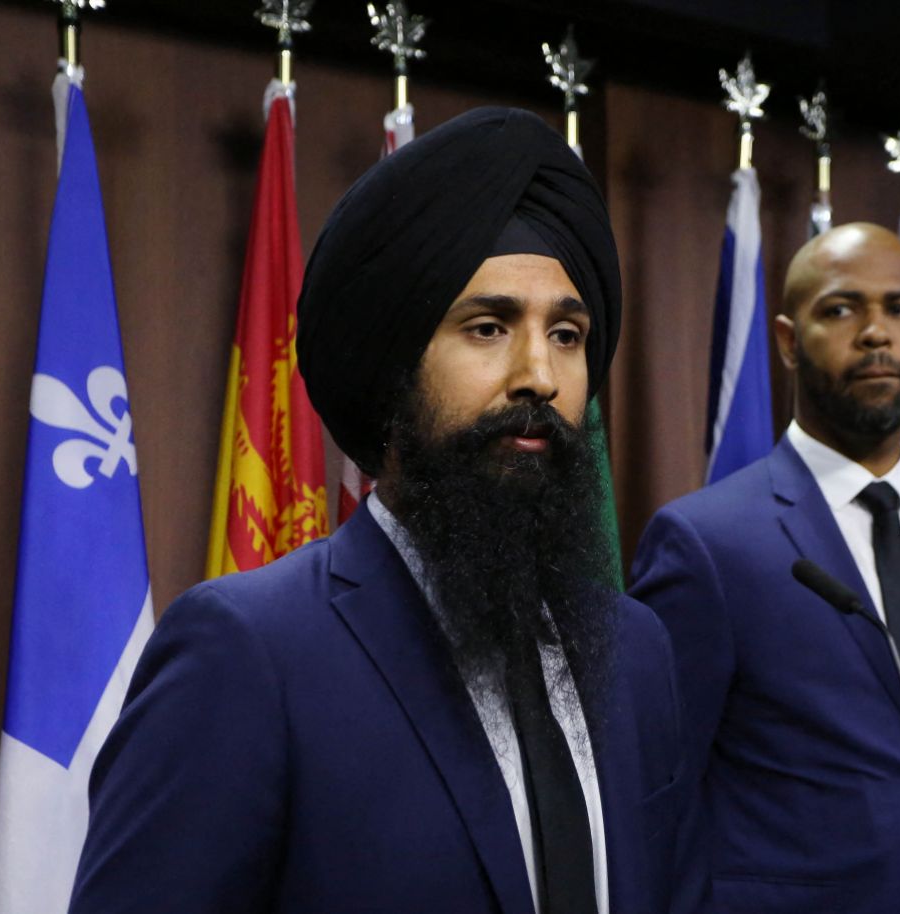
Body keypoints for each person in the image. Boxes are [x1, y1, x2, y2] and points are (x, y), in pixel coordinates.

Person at [71, 107, 683, 914]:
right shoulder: (249, 654)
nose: (539, 374)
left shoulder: (636, 650)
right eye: (489, 327)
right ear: (394, 367)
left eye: (567, 334)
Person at [630, 223, 900, 913]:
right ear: (786, 341)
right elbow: (653, 790)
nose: (875, 333)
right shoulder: (707, 542)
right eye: (840, 309)